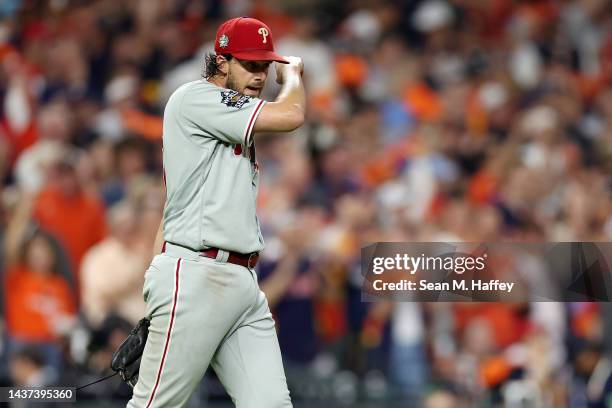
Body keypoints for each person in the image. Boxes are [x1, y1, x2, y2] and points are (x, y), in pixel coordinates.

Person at [127, 17, 305, 408]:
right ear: (222, 61)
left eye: (266, 66)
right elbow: (291, 116)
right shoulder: (196, 97)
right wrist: (291, 78)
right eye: (250, 64)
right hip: (197, 273)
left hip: (241, 283)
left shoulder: (230, 116)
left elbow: (176, 200)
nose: (260, 76)